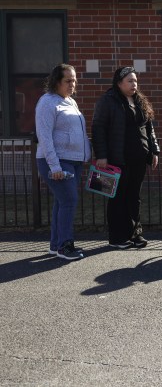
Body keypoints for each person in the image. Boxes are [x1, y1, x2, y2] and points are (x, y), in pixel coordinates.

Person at [92, 66, 160, 249]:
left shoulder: (139, 101)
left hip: (139, 157)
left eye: (135, 80)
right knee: (117, 197)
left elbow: (149, 128)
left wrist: (154, 151)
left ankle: (135, 234)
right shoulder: (108, 100)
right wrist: (102, 156)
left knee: (134, 197)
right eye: (130, 81)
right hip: (116, 158)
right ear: (119, 83)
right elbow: (98, 129)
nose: (134, 84)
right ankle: (118, 237)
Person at [35, 64, 91, 260]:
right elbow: (44, 136)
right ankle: (65, 246)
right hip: (57, 161)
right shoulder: (47, 102)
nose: (72, 84)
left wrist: (86, 154)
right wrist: (55, 166)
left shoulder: (71, 102)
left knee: (62, 202)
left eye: (74, 80)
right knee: (69, 200)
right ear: (56, 81)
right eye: (68, 80)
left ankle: (55, 244)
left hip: (74, 161)